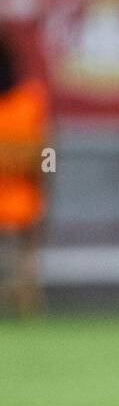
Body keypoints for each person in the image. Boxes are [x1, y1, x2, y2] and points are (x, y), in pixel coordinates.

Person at [0, 34, 49, 316]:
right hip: (24, 203)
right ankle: (26, 301)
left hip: (17, 201)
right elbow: (46, 156)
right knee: (25, 256)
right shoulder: (31, 100)